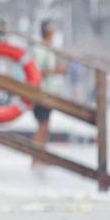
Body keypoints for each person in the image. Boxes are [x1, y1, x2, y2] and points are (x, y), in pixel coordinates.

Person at [31, 18, 64, 167]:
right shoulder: (40, 49)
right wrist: (56, 71)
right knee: (42, 126)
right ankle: (36, 158)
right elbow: (36, 71)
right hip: (40, 92)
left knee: (45, 126)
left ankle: (40, 157)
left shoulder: (49, 49)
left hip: (49, 93)